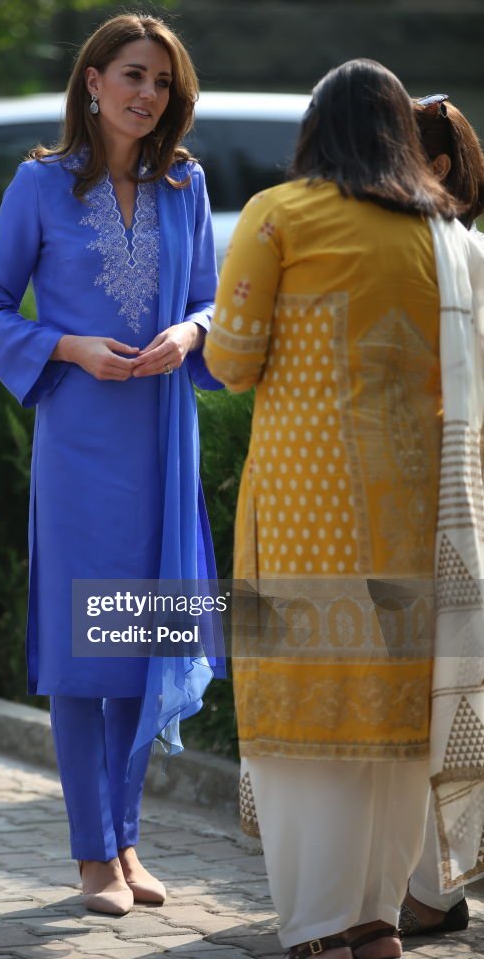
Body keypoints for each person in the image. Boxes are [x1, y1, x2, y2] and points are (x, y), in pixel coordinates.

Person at [204, 58, 484, 959]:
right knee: (394, 714)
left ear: (313, 132)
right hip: (419, 514)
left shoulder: (279, 215)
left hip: (305, 510)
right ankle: (373, 916)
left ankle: (325, 926)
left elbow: (233, 360)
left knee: (308, 714)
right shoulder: (447, 237)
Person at [0, 13, 224, 917]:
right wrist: (67, 347)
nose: (147, 93)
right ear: (91, 82)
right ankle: (90, 858)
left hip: (161, 432)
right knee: (84, 645)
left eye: (161, 81)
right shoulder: (39, 185)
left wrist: (191, 330)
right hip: (80, 442)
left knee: (142, 638)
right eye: (132, 74)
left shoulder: (183, 184)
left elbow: (210, 299)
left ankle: (126, 842)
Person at [398, 93, 484, 939]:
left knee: (440, 693)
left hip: (451, 509)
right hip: (442, 508)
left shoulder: (452, 255)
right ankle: (428, 887)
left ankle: (432, 889)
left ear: (439, 168)